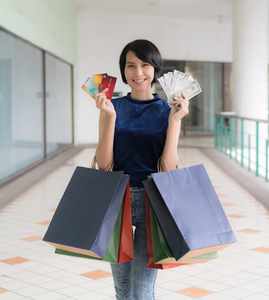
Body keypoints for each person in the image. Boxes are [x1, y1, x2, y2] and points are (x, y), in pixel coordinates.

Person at [94, 39, 189, 300]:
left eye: (145, 65)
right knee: (122, 290)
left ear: (155, 69)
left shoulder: (167, 110)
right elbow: (103, 164)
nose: (138, 73)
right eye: (131, 65)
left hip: (152, 202)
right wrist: (110, 117)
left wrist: (175, 123)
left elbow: (168, 168)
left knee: (142, 290)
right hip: (118, 201)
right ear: (123, 71)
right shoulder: (111, 107)